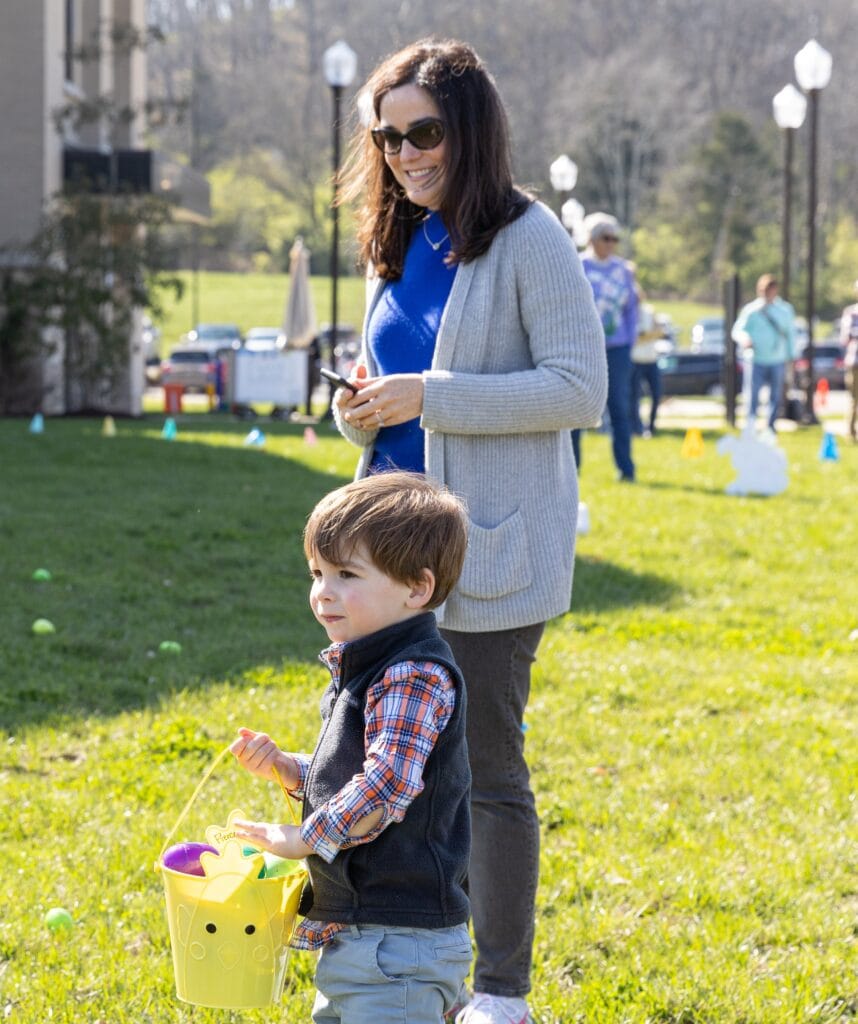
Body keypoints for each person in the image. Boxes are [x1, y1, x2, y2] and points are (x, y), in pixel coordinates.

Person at [328, 38, 607, 1024]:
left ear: (471, 128)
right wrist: (361, 408)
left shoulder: (529, 236)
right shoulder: (399, 237)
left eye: (425, 132)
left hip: (486, 554)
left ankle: (500, 992)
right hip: (382, 560)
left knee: (485, 777)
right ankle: (393, 964)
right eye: (387, 137)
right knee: (376, 764)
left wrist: (431, 396)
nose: (404, 154)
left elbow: (578, 387)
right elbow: (391, 390)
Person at [230, 471, 472, 1024]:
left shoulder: (413, 674)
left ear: (417, 588)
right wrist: (292, 770)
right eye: (317, 572)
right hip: (367, 937)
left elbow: (386, 785)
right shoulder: (372, 663)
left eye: (346, 574)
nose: (323, 591)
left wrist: (303, 838)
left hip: (398, 945)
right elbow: (364, 773)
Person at [571, 212, 638, 480]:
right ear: (592, 239)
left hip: (617, 348)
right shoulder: (578, 265)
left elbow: (631, 310)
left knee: (619, 407)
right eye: (605, 238)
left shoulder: (624, 270)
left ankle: (626, 469)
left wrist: (629, 341)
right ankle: (572, 471)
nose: (610, 243)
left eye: (614, 239)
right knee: (576, 407)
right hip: (584, 348)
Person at [731, 273, 796, 432]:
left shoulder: (784, 310)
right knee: (752, 395)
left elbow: (790, 335)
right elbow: (737, 330)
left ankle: (770, 426)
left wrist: (791, 357)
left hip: (777, 359)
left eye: (770, 289)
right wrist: (745, 339)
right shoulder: (751, 310)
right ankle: (750, 426)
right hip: (755, 359)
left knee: (775, 396)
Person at [630, 288, 662, 437]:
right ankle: (636, 427)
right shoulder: (629, 315)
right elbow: (631, 339)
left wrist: (644, 337)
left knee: (656, 394)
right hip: (636, 361)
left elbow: (659, 332)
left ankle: (651, 427)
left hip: (651, 360)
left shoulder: (650, 311)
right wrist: (646, 336)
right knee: (634, 397)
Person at [839, 279, 858, 442]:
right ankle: (851, 432)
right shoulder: (851, 312)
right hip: (855, 361)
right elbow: (845, 337)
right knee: (854, 398)